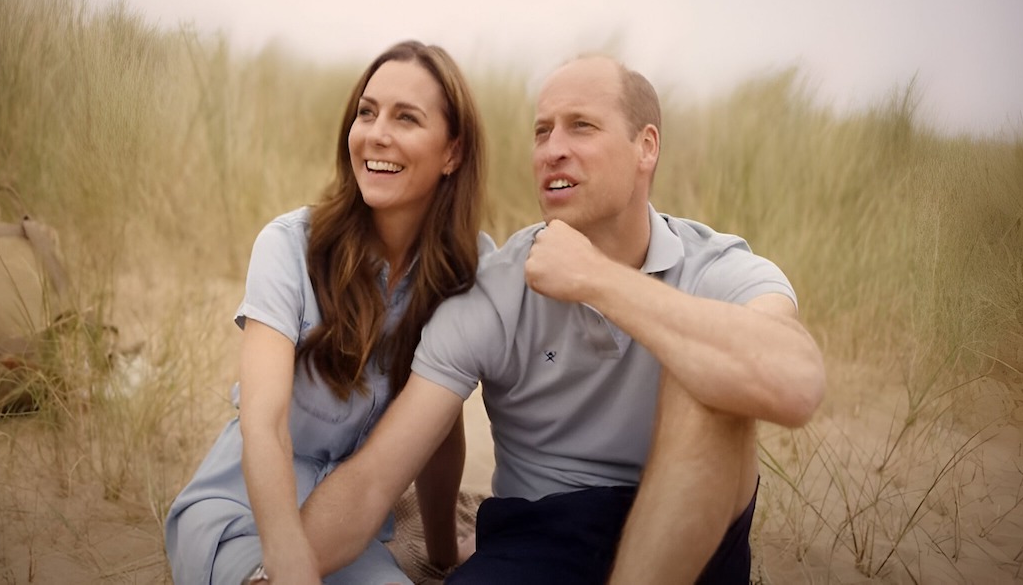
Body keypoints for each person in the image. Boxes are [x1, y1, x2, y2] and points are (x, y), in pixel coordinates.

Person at [298, 55, 826, 584]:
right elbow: (374, 480)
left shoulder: (716, 266)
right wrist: (271, 571)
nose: (553, 150)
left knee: (707, 368)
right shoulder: (495, 290)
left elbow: (797, 383)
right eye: (542, 132)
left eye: (582, 127)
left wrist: (597, 278)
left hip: (694, 536)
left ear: (646, 147)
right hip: (540, 541)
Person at [164, 40, 491, 585]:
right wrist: (287, 564)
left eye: (406, 117)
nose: (376, 133)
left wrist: (441, 554)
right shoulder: (290, 246)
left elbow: (439, 423)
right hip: (247, 517)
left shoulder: (465, 269)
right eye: (367, 112)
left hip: (352, 531)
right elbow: (263, 424)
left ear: (453, 152)